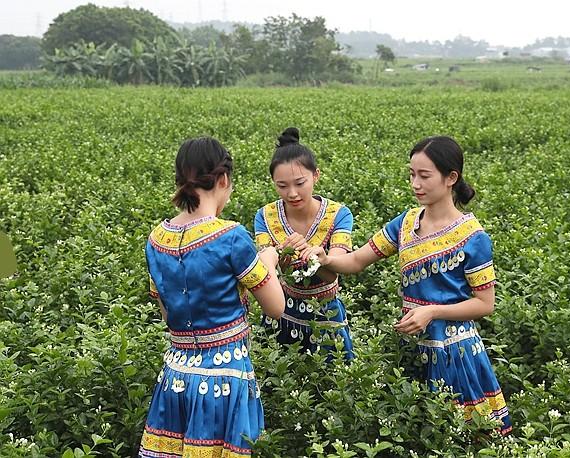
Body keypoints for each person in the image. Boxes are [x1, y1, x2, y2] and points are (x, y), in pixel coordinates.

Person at [301, 136, 512, 434]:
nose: (415, 183)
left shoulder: (473, 237)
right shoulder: (405, 223)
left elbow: (484, 304)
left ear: (451, 177)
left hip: (454, 352)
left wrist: (432, 312)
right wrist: (324, 259)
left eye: (424, 176)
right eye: (412, 174)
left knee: (461, 436)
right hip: (411, 346)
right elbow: (357, 261)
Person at [139, 137, 285, 457]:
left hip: (175, 378)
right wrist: (269, 261)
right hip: (224, 379)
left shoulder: (156, 240)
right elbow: (276, 307)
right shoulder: (230, 236)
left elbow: (168, 314)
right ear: (223, 180)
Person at [254, 127, 354, 359]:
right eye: (282, 186)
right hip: (281, 312)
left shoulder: (338, 214)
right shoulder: (265, 216)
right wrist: (281, 256)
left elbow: (334, 273)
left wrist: (319, 257)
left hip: (325, 313)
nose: (292, 193)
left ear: (316, 175)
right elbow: (268, 273)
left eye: (300, 183)